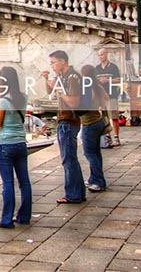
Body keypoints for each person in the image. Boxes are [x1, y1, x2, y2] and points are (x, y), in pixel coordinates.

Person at [42, 50, 86, 204]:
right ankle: (78, 192)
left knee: (68, 159)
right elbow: (50, 92)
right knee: (70, 158)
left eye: (54, 62)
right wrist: (47, 79)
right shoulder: (63, 76)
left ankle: (73, 194)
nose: (52, 66)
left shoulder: (72, 77)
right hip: (66, 120)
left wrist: (59, 90)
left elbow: (74, 102)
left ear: (62, 61)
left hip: (68, 120)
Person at [0, 66, 32, 228]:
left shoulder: (2, 101)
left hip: (6, 145)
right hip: (21, 142)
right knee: (24, 182)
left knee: (8, 183)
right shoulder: (24, 97)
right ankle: (24, 216)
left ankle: (6, 220)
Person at [80, 65, 110, 193]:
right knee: (96, 152)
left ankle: (98, 181)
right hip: (98, 120)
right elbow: (106, 99)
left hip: (89, 122)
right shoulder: (97, 85)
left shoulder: (88, 86)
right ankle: (94, 178)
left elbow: (87, 102)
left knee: (89, 153)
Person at [95, 48, 122, 147]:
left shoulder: (113, 67)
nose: (100, 57)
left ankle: (116, 136)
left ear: (106, 54)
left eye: (102, 55)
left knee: (114, 116)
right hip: (101, 96)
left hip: (112, 95)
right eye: (99, 55)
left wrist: (107, 80)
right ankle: (107, 136)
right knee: (104, 117)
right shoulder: (97, 68)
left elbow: (119, 79)